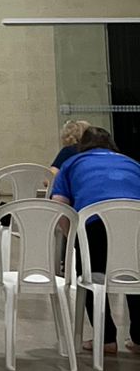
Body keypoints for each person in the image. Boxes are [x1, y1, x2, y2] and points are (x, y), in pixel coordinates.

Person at [50, 126, 140, 355]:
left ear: (82, 146)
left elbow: (60, 205)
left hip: (94, 226)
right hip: (135, 226)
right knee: (134, 276)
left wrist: (73, 238)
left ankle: (106, 339)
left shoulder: (72, 163)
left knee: (90, 279)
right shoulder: (132, 163)